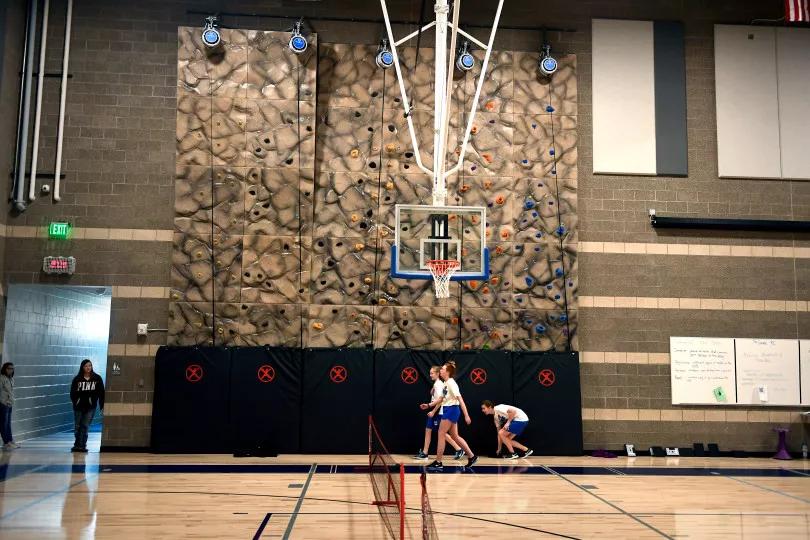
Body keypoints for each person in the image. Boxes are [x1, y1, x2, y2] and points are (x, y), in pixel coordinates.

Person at [427, 361, 477, 470]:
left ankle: (438, 462)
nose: (440, 370)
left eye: (442, 369)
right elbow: (440, 399)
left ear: (448, 372)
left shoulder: (451, 383)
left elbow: (460, 399)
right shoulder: (445, 383)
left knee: (441, 433)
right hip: (448, 409)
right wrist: (428, 405)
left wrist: (466, 415)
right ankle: (472, 456)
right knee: (454, 436)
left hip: (452, 410)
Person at [414, 365, 465, 461]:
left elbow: (440, 401)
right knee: (429, 430)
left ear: (438, 374)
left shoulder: (440, 385)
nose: (430, 375)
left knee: (442, 433)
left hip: (439, 412)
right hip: (437, 411)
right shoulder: (437, 384)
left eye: (432, 373)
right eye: (430, 373)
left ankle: (458, 449)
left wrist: (433, 411)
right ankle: (425, 452)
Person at [70, 359, 105, 453]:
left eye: (89, 365)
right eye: (86, 366)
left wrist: (102, 406)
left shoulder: (97, 378)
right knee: (77, 426)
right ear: (82, 367)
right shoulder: (77, 379)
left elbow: (101, 393)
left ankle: (82, 445)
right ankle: (77, 445)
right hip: (78, 407)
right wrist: (76, 402)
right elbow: (72, 393)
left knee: (85, 425)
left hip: (90, 407)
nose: (88, 367)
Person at [0, 363, 19, 450]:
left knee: (8, 424)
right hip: (3, 404)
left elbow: (11, 392)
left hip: (9, 404)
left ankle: (10, 441)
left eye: (12, 369)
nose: (10, 370)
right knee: (3, 424)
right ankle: (6, 443)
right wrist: (3, 402)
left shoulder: (11, 379)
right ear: (5, 369)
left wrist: (10, 401)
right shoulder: (1, 378)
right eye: (9, 368)